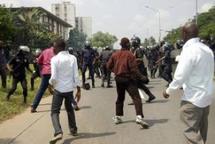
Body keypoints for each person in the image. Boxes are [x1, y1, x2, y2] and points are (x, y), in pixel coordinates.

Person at [163, 22, 214, 144]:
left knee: (190, 132)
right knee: (202, 132)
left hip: (193, 99)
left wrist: (168, 91)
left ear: (185, 34)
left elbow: (179, 77)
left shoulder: (189, 50)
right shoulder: (207, 49)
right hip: (206, 98)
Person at [107, 37, 149, 129]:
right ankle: (139, 117)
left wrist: (116, 71)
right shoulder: (130, 55)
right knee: (136, 98)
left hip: (118, 79)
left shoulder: (115, 54)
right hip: (128, 79)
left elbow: (108, 66)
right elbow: (134, 70)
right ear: (127, 45)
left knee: (120, 97)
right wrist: (143, 77)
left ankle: (118, 117)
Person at [49, 39, 81, 144]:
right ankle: (73, 130)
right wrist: (79, 89)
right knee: (69, 109)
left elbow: (53, 77)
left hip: (58, 89)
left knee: (54, 112)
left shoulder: (54, 59)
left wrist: (50, 85)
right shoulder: (73, 58)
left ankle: (58, 132)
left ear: (58, 47)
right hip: (69, 90)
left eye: (54, 47)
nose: (53, 48)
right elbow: (76, 75)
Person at [131, 36, 156, 103]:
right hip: (138, 69)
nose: (131, 42)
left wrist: (132, 61)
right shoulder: (135, 49)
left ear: (136, 42)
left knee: (134, 85)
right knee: (139, 85)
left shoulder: (138, 50)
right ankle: (151, 95)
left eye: (133, 41)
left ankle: (136, 100)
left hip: (139, 69)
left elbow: (140, 59)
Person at [31, 44, 55, 113]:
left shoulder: (44, 51)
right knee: (61, 89)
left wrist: (43, 67)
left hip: (46, 73)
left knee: (41, 90)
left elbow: (38, 61)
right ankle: (73, 104)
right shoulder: (57, 52)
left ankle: (34, 107)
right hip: (54, 73)